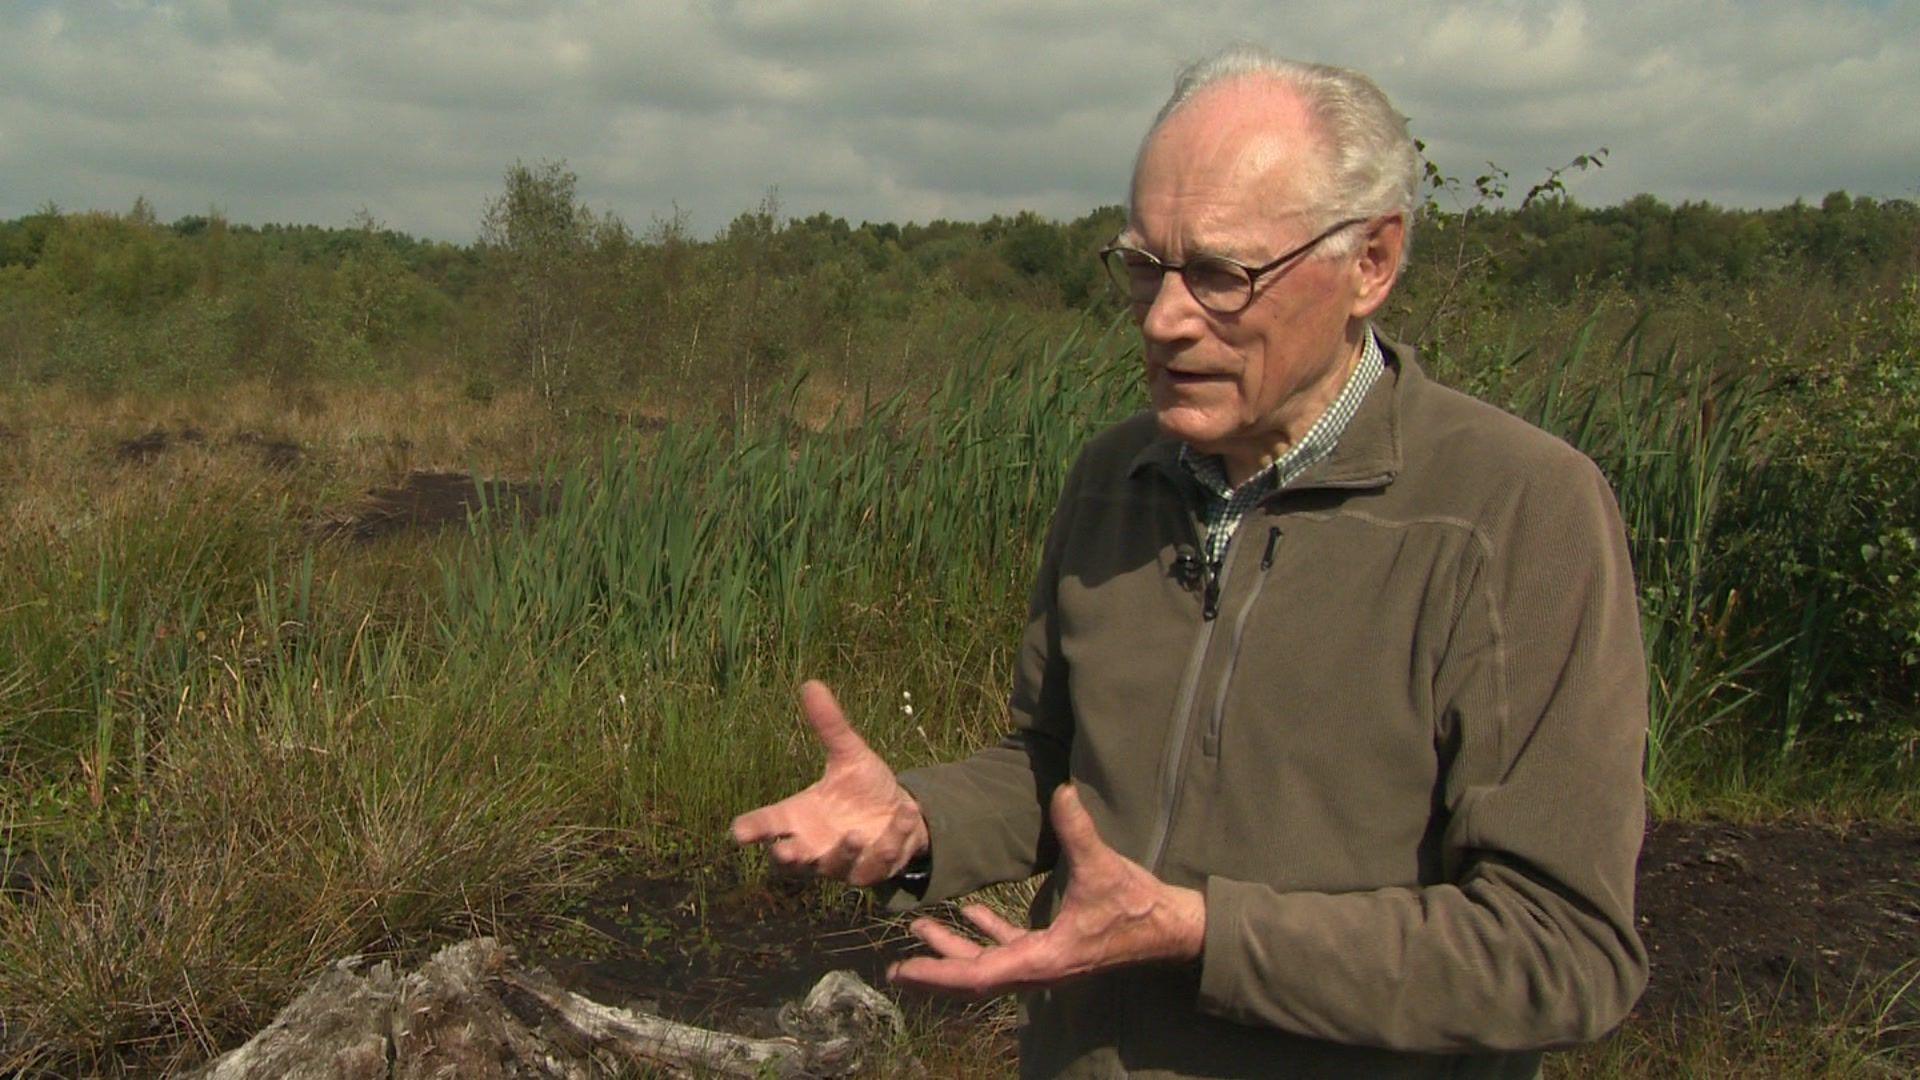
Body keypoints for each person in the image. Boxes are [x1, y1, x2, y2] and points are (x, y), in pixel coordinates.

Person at [732, 45, 1649, 1079]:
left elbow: (1561, 952)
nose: (1164, 319)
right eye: (1142, 267)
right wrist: (919, 821)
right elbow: (1059, 765)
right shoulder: (1115, 476)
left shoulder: (1515, 513)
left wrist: (1203, 933)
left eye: (1221, 274)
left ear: (1372, 264)